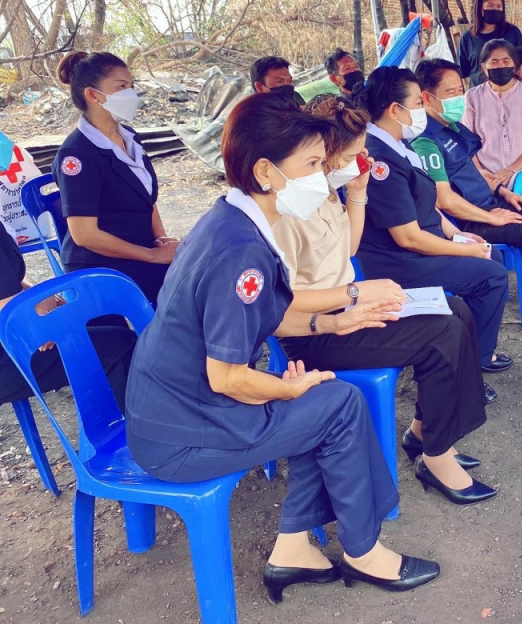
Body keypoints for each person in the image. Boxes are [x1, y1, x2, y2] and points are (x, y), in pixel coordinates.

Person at [126, 94, 440, 602]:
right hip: (183, 432)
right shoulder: (242, 250)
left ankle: (294, 549)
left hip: (174, 408)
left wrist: (333, 323)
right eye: (312, 165)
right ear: (266, 171)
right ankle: (364, 552)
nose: (323, 175)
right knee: (337, 403)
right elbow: (227, 377)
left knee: (322, 400)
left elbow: (266, 313)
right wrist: (285, 390)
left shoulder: (231, 219)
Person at [274, 94, 495, 504]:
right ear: (324, 155)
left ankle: (424, 432)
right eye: (352, 156)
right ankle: (436, 457)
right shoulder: (288, 209)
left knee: (456, 309)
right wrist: (355, 293)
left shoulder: (326, 192)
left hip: (347, 308)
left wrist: (356, 192)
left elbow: (346, 249)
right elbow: (280, 304)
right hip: (315, 331)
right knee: (441, 332)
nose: (361, 162)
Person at [354, 66, 514, 375]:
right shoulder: (380, 159)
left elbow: (427, 202)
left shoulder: (400, 144)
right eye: (417, 102)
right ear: (394, 109)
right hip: (400, 261)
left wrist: (456, 235)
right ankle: (475, 360)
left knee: (490, 255)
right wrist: (464, 250)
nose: (422, 109)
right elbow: (407, 237)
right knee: (491, 275)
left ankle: (472, 348)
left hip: (423, 248)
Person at [412, 59, 522, 324]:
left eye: (460, 90)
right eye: (450, 93)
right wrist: (491, 217)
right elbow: (444, 200)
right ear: (427, 97)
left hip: (488, 201)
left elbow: (475, 171)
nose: (459, 98)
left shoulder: (453, 128)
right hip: (467, 219)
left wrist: (504, 193)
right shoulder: (426, 141)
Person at [53, 51, 177, 305]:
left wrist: (160, 240)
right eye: (121, 87)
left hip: (139, 250)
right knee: (186, 294)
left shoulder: (129, 137)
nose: (131, 94)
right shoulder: (76, 155)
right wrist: (152, 255)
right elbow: (85, 235)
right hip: (100, 265)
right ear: (92, 95)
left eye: (132, 86)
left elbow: (146, 199)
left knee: (201, 275)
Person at [0, 224, 136, 410]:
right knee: (120, 344)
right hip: (10, 351)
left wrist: (50, 300)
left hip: (13, 334)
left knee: (89, 315)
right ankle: (131, 423)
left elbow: (15, 278)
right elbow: (12, 312)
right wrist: (51, 314)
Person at [464, 40, 522, 191]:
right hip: (485, 171)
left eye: (506, 61)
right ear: (484, 67)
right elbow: (467, 142)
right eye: (494, 62)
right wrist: (480, 171)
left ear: (514, 66)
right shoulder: (472, 98)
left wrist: (511, 170)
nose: (500, 66)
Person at [456, 0, 522, 88]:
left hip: (510, 93)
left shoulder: (513, 33)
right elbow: (463, 72)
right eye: (490, 5)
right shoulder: (467, 39)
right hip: (479, 95)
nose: (495, 9)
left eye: (499, 6)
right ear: (480, 8)